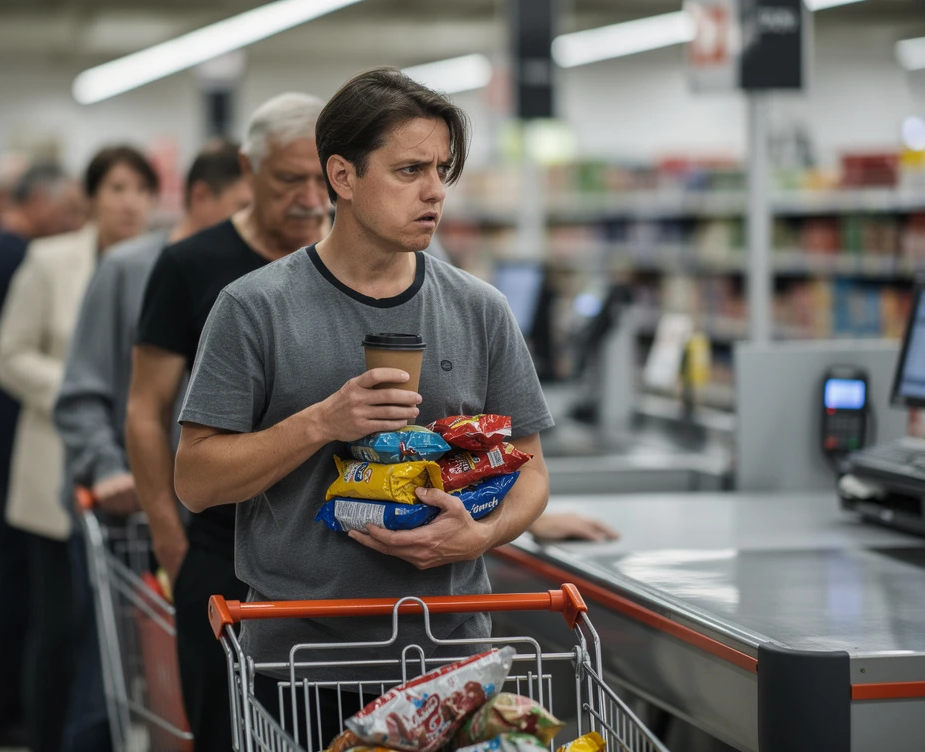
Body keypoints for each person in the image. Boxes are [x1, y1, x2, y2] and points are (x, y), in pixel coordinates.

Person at [172, 67, 552, 743]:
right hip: (302, 666)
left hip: (450, 661)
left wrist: (479, 535)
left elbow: (531, 470)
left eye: (442, 169)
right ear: (342, 177)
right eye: (409, 170)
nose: (435, 190)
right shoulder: (253, 308)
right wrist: (323, 421)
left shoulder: (480, 310)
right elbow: (197, 480)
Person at [126, 92, 329, 747]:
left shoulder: (355, 267)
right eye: (288, 179)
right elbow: (145, 406)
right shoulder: (192, 265)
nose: (308, 197)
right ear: (249, 169)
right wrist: (169, 539)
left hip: (330, 558)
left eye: (321, 178)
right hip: (220, 552)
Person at [53, 140, 250, 752]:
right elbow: (82, 392)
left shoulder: (268, 273)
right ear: (201, 198)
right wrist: (113, 471)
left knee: (194, 693)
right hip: (134, 516)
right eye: (242, 207)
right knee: (108, 676)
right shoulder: (130, 270)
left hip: (218, 522)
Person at [0, 146, 158, 752]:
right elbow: (7, 356)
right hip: (57, 471)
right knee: (63, 626)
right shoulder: (49, 260)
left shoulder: (163, 265)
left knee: (126, 638)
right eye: (116, 187)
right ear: (89, 199)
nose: (130, 201)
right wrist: (80, 386)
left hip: (140, 480)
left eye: (141, 188)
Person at [0, 162, 77, 749]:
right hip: (14, 438)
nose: (74, 218)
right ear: (41, 203)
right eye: (69, 206)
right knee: (16, 579)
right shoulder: (23, 259)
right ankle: (0, 706)